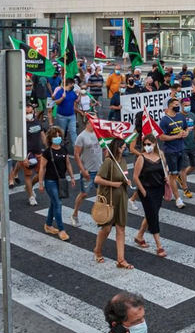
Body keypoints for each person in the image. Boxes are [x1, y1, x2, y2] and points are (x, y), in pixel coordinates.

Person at [93, 139, 135, 269]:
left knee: (120, 228)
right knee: (106, 228)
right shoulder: (109, 162)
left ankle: (121, 260)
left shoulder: (122, 162)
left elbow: (123, 176)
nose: (125, 149)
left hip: (121, 197)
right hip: (109, 197)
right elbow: (97, 179)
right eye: (123, 147)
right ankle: (98, 250)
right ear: (117, 148)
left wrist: (126, 181)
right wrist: (113, 184)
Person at [132, 137, 169, 257]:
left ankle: (139, 236)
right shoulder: (141, 158)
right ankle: (159, 245)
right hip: (147, 191)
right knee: (153, 215)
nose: (147, 146)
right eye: (145, 144)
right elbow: (135, 177)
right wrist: (143, 192)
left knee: (150, 215)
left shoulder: (160, 155)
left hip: (159, 189)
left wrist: (167, 177)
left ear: (155, 144)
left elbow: (165, 169)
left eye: (149, 143)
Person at [157, 98, 194, 208]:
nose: (178, 106)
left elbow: (186, 128)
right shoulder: (164, 120)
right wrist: (176, 136)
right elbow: (162, 137)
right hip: (171, 151)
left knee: (180, 171)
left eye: (178, 104)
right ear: (170, 106)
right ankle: (178, 198)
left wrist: (185, 133)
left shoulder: (180, 117)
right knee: (173, 175)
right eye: (176, 105)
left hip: (181, 149)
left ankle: (169, 187)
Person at [72, 114, 105, 222]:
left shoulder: (99, 133)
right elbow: (76, 154)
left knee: (100, 194)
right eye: (94, 121)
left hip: (100, 170)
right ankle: (75, 214)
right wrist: (82, 170)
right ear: (88, 123)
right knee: (84, 193)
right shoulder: (81, 136)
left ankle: (99, 215)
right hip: (88, 171)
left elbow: (105, 147)